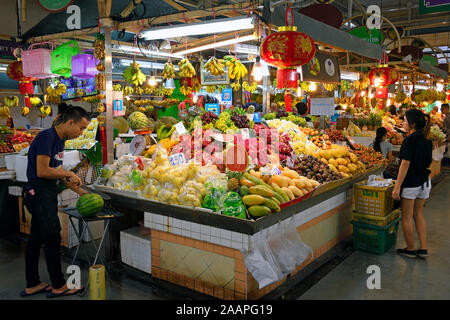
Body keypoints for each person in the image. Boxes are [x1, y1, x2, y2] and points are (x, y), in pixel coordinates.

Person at [21, 107, 90, 298]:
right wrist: (69, 172)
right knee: (52, 238)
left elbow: (56, 172)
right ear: (70, 123)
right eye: (81, 128)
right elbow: (43, 170)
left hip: (45, 193)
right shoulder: (47, 137)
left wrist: (79, 190)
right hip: (39, 194)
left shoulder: (60, 141)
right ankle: (59, 285)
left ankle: (33, 283)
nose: (81, 133)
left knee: (35, 239)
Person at [392, 109, 432, 259]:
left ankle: (410, 249)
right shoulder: (427, 138)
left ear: (412, 124)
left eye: (405, 120)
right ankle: (423, 248)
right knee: (419, 214)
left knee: (407, 216)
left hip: (412, 182)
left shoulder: (409, 140)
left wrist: (397, 186)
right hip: (424, 181)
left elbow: (405, 164)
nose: (403, 123)